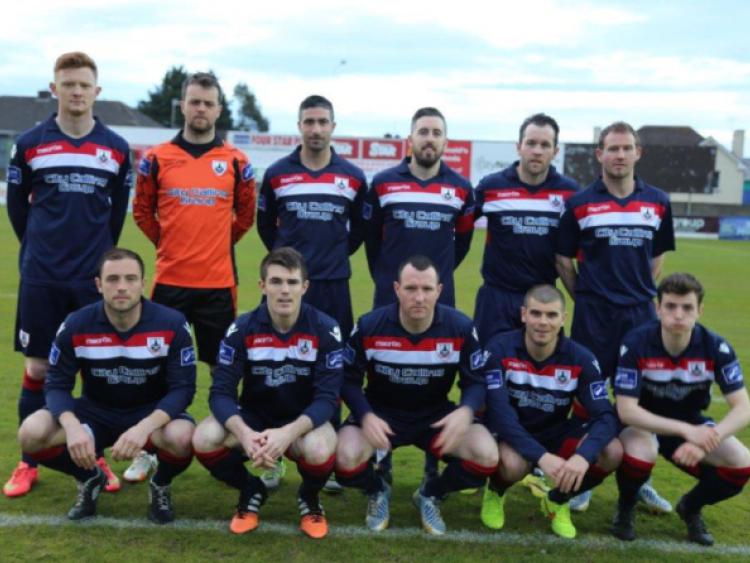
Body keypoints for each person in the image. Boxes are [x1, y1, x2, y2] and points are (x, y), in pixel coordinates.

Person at [5, 51, 131, 497]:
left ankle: (93, 455)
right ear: (55, 88)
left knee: (93, 371)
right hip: (42, 276)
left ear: (97, 92)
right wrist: (42, 248)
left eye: (84, 85)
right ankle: (28, 460)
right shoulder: (30, 143)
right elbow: (18, 211)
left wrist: (95, 260)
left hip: (92, 281)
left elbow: (116, 217)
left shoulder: (116, 148)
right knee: (39, 368)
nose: (76, 92)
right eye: (68, 83)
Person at [131, 71, 255, 484]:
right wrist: (170, 245)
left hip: (218, 284)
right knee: (155, 370)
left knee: (224, 371)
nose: (201, 109)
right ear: (182, 105)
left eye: (208, 103)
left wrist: (216, 244)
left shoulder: (238, 162)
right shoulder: (156, 157)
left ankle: (231, 447)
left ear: (219, 109)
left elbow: (246, 217)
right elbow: (142, 213)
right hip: (169, 282)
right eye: (194, 101)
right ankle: (148, 450)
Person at [16, 248, 197, 523]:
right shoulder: (77, 324)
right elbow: (56, 384)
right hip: (95, 412)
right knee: (31, 433)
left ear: (142, 283)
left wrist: (143, 428)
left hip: (149, 414)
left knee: (184, 437)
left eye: (130, 279)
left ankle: (160, 484)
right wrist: (72, 426)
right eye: (112, 279)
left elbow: (183, 389)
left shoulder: (171, 323)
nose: (122, 287)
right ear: (99, 285)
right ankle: (90, 478)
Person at [555, 121, 675, 513]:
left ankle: (639, 481)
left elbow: (656, 259)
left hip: (640, 315)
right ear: (600, 154)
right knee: (587, 398)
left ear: (638, 153)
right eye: (612, 148)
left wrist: (635, 293)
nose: (619, 155)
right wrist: (586, 297)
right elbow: (563, 259)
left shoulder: (657, 201)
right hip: (593, 316)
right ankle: (587, 473)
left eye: (627, 148)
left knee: (639, 399)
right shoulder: (580, 203)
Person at [334, 255, 498, 536]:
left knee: (486, 455)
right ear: (397, 289)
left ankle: (431, 493)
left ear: (439, 291)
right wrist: (365, 415)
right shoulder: (370, 326)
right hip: (382, 415)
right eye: (411, 289)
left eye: (426, 289)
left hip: (435, 416)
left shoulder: (459, 327)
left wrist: (466, 410)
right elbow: (348, 381)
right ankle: (377, 489)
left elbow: (476, 381)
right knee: (343, 458)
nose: (419, 297)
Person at [192, 247, 343, 539]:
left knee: (320, 448)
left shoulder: (326, 329)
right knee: (204, 437)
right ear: (262, 286)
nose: (284, 290)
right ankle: (251, 489)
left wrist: (287, 433)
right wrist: (246, 435)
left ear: (305, 286)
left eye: (291, 282)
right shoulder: (242, 328)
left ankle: (310, 497)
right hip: (255, 419)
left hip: (303, 422)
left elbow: (327, 399)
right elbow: (220, 393)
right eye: (276, 282)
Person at [256, 95, 366, 492]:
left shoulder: (352, 177)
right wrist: (289, 267)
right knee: (275, 366)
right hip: (286, 288)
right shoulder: (277, 174)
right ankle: (271, 456)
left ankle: (329, 455)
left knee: (330, 371)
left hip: (333, 287)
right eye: (309, 122)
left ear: (333, 126)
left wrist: (329, 261)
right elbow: (266, 228)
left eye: (323, 122)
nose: (316, 129)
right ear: (299, 126)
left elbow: (358, 233)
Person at [612, 273, 750, 546]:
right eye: (671, 306)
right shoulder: (636, 342)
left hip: (690, 423)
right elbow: (627, 410)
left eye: (687, 307)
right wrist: (689, 432)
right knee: (643, 451)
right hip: (643, 424)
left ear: (699, 310)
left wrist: (708, 439)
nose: (678, 314)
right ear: (658, 308)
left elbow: (743, 408)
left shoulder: (716, 347)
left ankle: (690, 507)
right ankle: (625, 507)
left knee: (741, 462)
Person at [481, 284, 621, 539]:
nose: (543, 322)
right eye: (536, 313)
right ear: (523, 314)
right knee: (512, 465)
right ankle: (496, 491)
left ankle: (558, 499)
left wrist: (582, 457)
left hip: (555, 431)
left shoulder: (581, 358)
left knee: (611, 451)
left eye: (551, 315)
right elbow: (500, 415)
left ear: (563, 319)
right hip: (513, 433)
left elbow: (606, 416)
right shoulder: (499, 349)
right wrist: (542, 457)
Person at [473, 113, 579, 344]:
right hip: (496, 298)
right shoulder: (492, 187)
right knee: (485, 372)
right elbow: (458, 226)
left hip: (543, 300)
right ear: (519, 146)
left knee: (543, 375)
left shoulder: (570, 193)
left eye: (545, 145)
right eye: (531, 143)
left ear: (555, 151)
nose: (537, 151)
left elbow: (582, 248)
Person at [364, 107, 474, 309]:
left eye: (436, 133)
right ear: (410, 139)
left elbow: (463, 243)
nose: (430, 138)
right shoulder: (383, 183)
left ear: (445, 142)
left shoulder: (461, 188)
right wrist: (385, 276)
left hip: (439, 297)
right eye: (423, 132)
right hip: (390, 295)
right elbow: (371, 240)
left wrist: (440, 272)